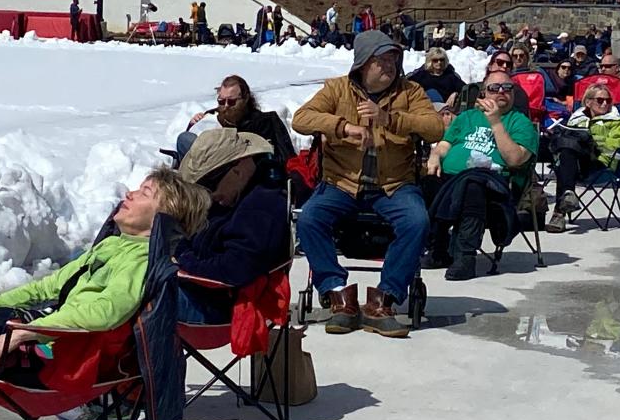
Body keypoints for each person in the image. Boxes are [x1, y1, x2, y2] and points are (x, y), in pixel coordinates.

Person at [0, 168, 209, 420]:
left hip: (60, 365)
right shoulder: (114, 246)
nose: (129, 194)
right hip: (42, 347)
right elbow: (47, 287)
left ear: (163, 217)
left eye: (143, 193)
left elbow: (105, 313)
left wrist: (22, 334)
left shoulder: (141, 262)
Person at [292, 31, 443, 338]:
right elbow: (301, 119)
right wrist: (341, 126)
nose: (388, 66)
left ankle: (383, 299)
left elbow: (434, 127)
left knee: (417, 221)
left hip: (394, 184)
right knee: (309, 219)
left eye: (392, 59)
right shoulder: (337, 89)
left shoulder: (410, 91)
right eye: (380, 60)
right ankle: (337, 292)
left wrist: (390, 118)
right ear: (362, 63)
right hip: (341, 183)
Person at [424, 70, 538, 280]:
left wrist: (496, 122)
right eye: (495, 88)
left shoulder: (520, 123)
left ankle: (465, 257)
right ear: (484, 93)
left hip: (492, 185)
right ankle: (437, 248)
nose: (501, 92)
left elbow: (515, 159)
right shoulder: (467, 117)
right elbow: (445, 144)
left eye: (507, 88)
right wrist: (435, 156)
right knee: (425, 180)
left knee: (472, 184)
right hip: (450, 179)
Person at [174, 129, 291, 323]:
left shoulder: (261, 207)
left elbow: (234, 269)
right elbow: (186, 234)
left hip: (222, 308)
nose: (209, 195)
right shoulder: (233, 196)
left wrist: (185, 261)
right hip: (202, 291)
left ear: (237, 170)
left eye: (209, 186)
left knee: (141, 299)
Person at [545, 83, 620, 233]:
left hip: (601, 163)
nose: (605, 103)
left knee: (564, 161)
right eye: (600, 100)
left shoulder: (617, 121)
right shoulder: (577, 119)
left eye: (608, 100)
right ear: (588, 102)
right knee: (563, 151)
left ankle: (559, 214)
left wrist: (594, 141)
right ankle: (568, 194)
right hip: (576, 164)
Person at [180, 75, 295, 167]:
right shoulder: (212, 115)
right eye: (221, 101)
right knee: (185, 139)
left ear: (245, 99)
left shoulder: (261, 122)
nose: (225, 106)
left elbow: (276, 156)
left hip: (235, 169)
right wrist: (194, 124)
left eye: (231, 101)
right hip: (207, 164)